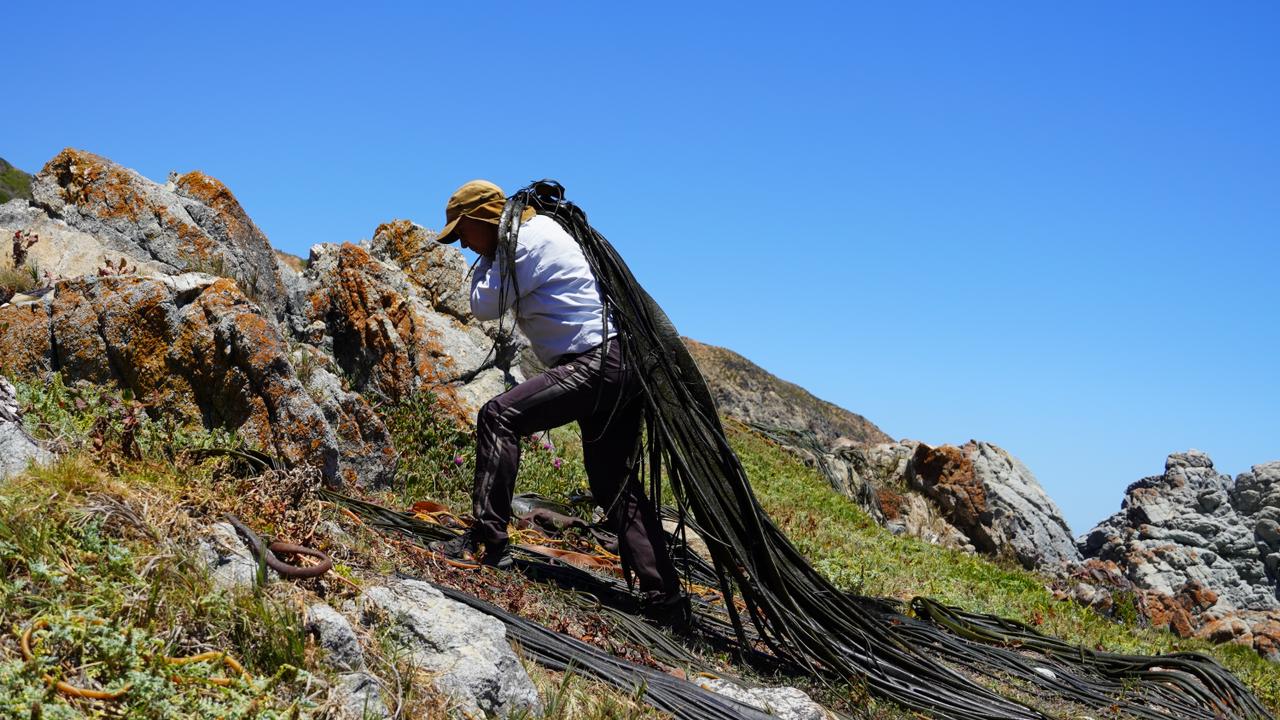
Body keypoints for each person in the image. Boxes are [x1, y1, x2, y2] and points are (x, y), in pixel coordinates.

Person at [429, 180, 687, 623]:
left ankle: (487, 541)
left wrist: (490, 254)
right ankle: (665, 597)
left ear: (481, 219)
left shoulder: (523, 243)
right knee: (613, 481)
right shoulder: (533, 233)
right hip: (619, 362)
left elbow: (482, 305)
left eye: (463, 233)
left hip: (595, 361)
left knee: (498, 416)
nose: (464, 245)